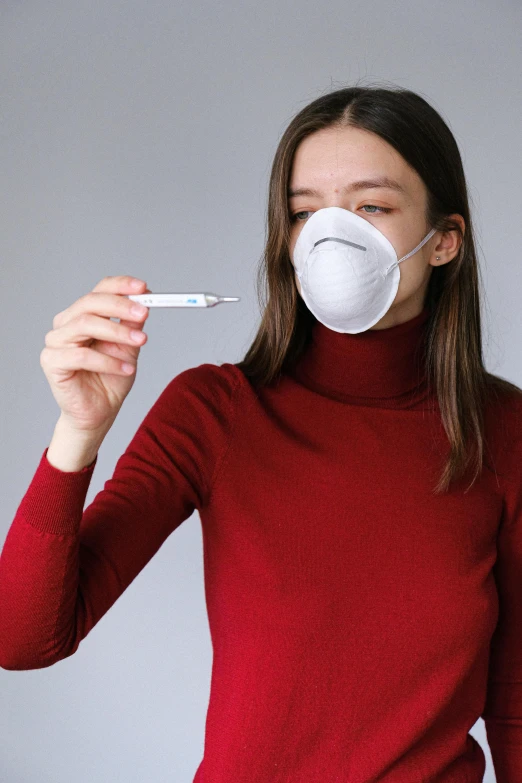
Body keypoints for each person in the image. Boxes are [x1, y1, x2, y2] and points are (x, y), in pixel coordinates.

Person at [1, 83, 521, 782]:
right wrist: (78, 431)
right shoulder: (214, 412)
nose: (333, 236)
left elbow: (515, 702)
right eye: (306, 211)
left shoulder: (505, 433)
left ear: (445, 240)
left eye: (371, 206)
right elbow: (23, 637)